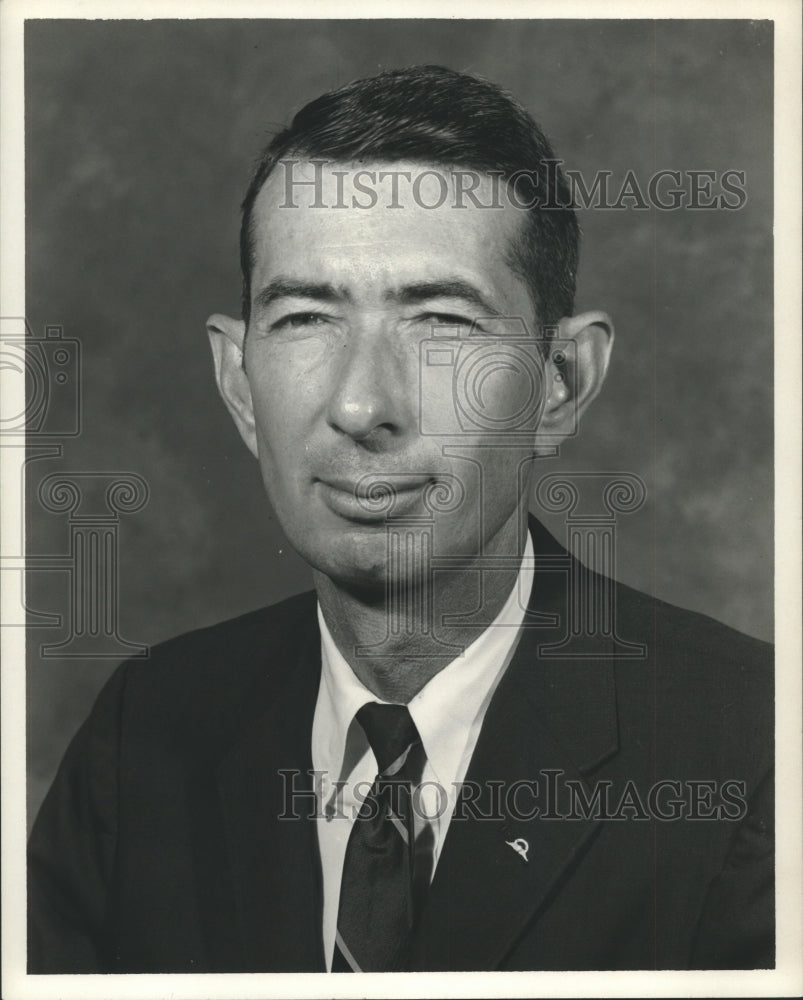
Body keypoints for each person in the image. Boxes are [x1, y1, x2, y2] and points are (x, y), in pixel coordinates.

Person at [28, 65, 773, 974]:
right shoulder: (144, 734)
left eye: (442, 323)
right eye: (306, 317)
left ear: (560, 383)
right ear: (239, 383)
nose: (360, 406)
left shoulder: (755, 751)